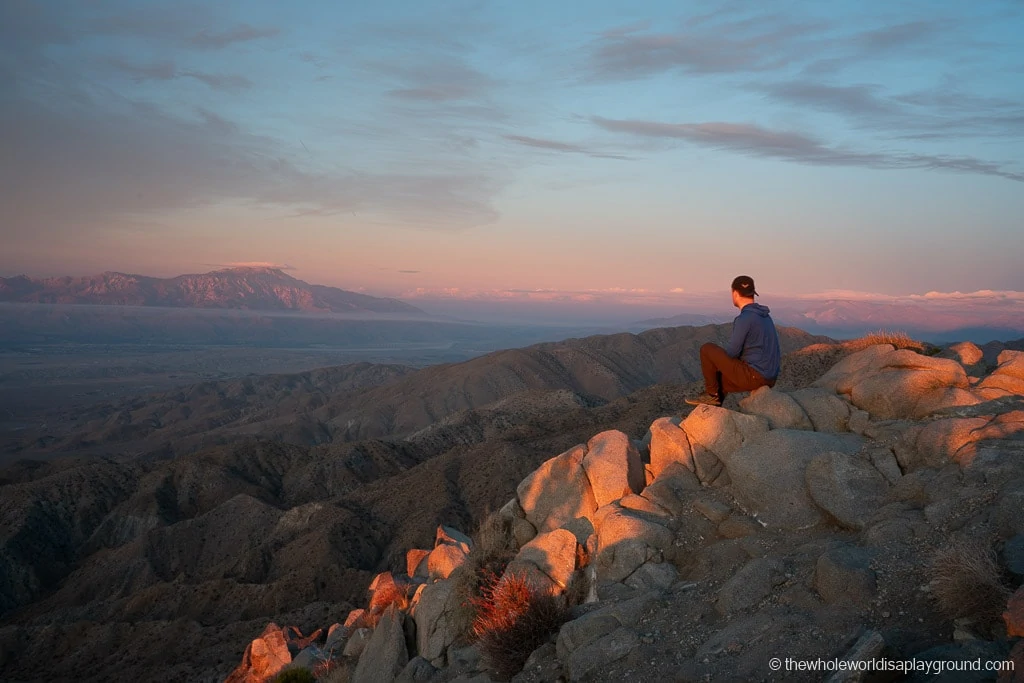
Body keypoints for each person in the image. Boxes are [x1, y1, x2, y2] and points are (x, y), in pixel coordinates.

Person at [686, 275, 780, 407]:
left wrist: (718, 362)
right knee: (719, 381)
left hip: (755, 376)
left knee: (707, 349)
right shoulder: (764, 316)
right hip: (770, 378)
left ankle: (711, 396)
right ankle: (714, 408)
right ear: (753, 293)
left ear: (735, 293)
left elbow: (732, 352)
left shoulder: (745, 318)